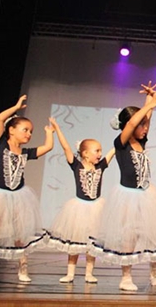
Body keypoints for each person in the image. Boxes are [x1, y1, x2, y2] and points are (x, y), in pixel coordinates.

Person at [89, 83, 156, 291]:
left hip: (146, 195)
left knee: (151, 233)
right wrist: (147, 107)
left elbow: (144, 120)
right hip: (127, 196)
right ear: (129, 125)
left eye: (146, 125)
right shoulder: (122, 143)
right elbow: (133, 123)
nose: (145, 128)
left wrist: (149, 102)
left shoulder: (141, 142)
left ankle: (154, 268)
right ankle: (126, 276)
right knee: (128, 235)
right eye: (141, 125)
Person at [0, 95, 54, 286]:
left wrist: (49, 132)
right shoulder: (1, 144)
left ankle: (23, 267)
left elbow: (48, 147)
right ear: (11, 130)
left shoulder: (26, 152)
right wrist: (16, 107)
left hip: (19, 196)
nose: (29, 134)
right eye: (25, 130)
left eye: (31, 131)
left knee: (21, 233)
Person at [47, 118, 115, 283]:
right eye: (96, 151)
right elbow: (65, 147)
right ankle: (70, 273)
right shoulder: (76, 165)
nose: (100, 154)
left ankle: (89, 273)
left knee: (91, 243)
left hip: (96, 208)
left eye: (100, 151)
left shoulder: (101, 166)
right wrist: (57, 129)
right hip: (78, 208)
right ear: (85, 153)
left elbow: (114, 150)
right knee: (75, 242)